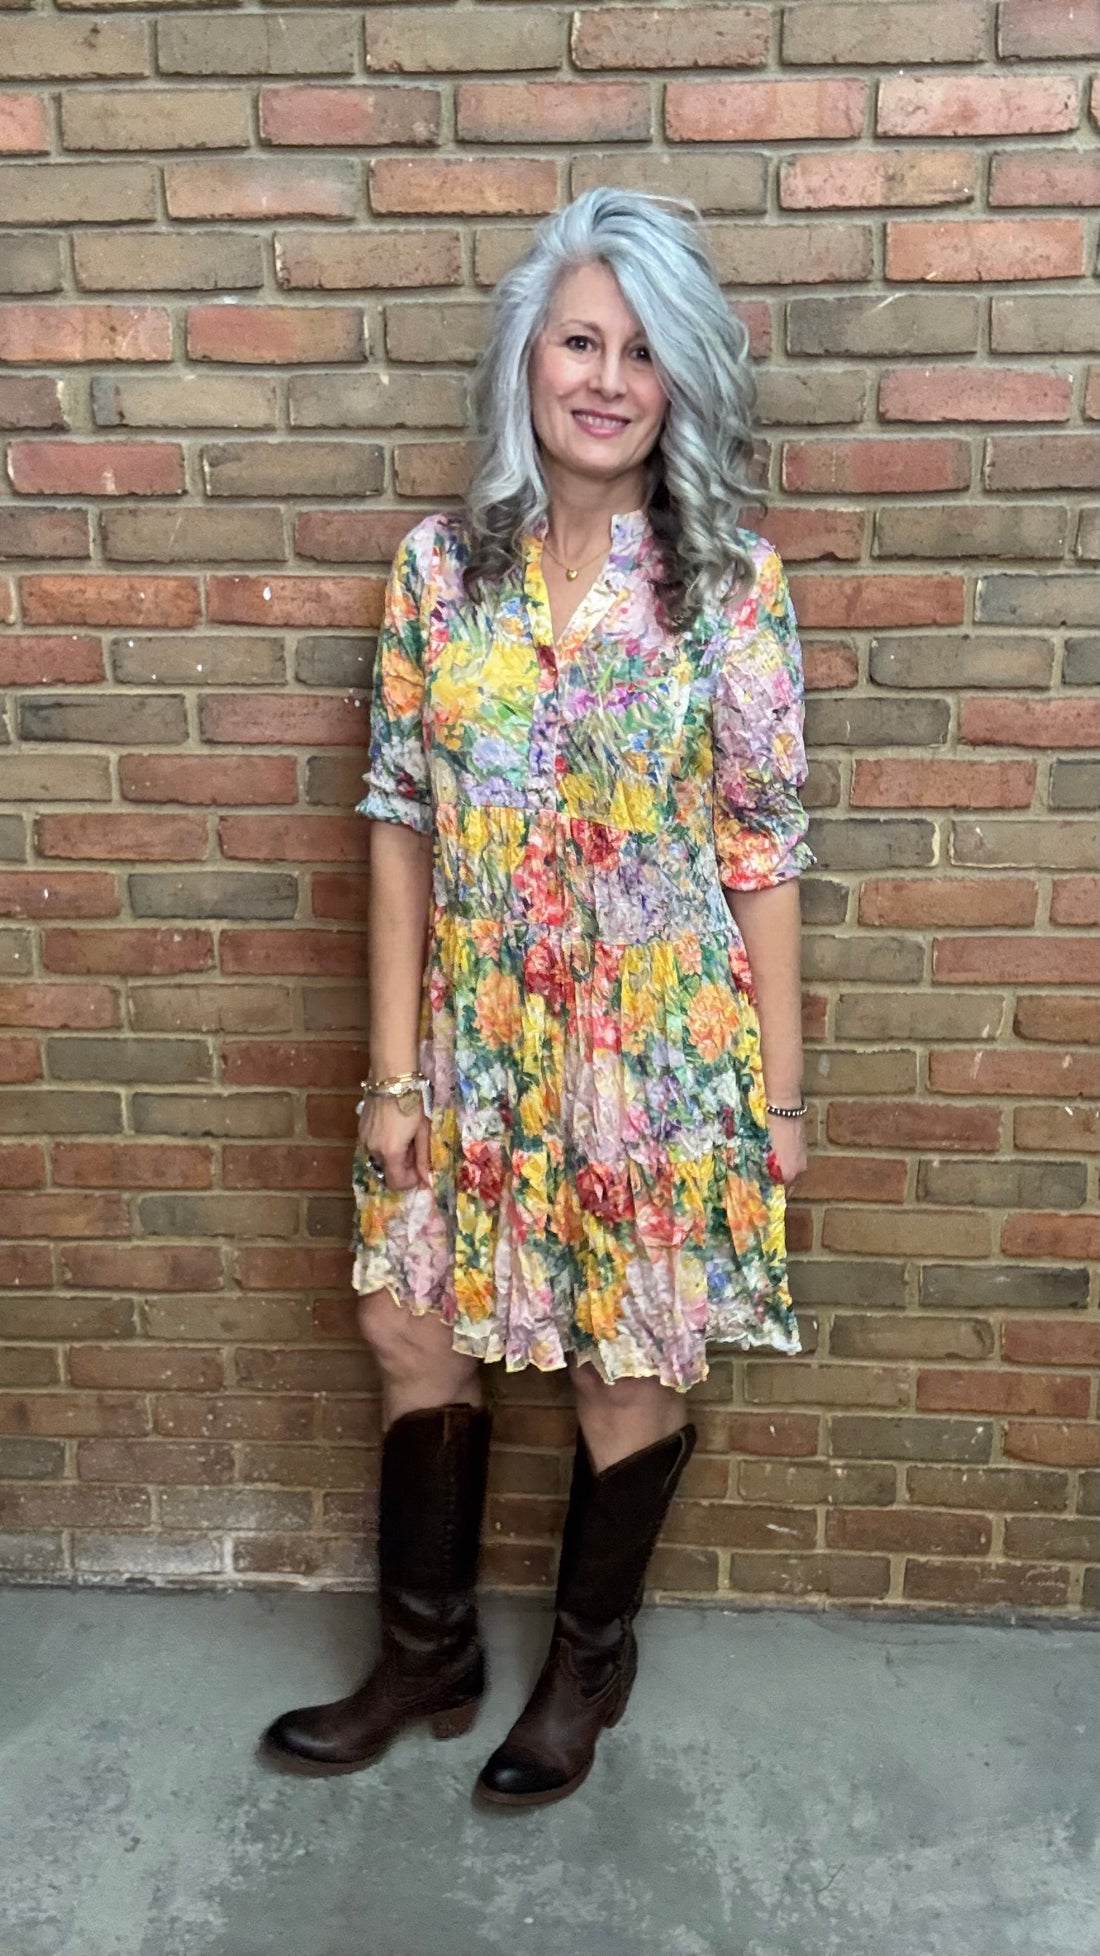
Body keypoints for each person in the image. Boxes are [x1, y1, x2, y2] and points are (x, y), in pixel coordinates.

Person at [261, 187, 813, 1809]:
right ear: (530, 358)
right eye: (582, 338)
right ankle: (426, 1657)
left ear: (682, 386)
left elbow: (767, 851)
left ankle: (586, 1667)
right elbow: (398, 819)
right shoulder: (442, 574)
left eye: (645, 352)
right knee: (404, 1319)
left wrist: (780, 1101)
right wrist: (388, 1075)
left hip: (657, 1048)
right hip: (472, 1034)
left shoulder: (730, 587)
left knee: (620, 1366)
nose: (608, 377)